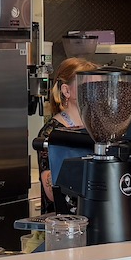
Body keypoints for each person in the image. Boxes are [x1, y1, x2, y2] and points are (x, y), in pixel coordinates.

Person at [34, 57, 95, 213]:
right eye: (86, 85)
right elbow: (52, 193)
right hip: (64, 224)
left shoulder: (96, 127)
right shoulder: (52, 132)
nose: (94, 91)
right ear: (66, 91)